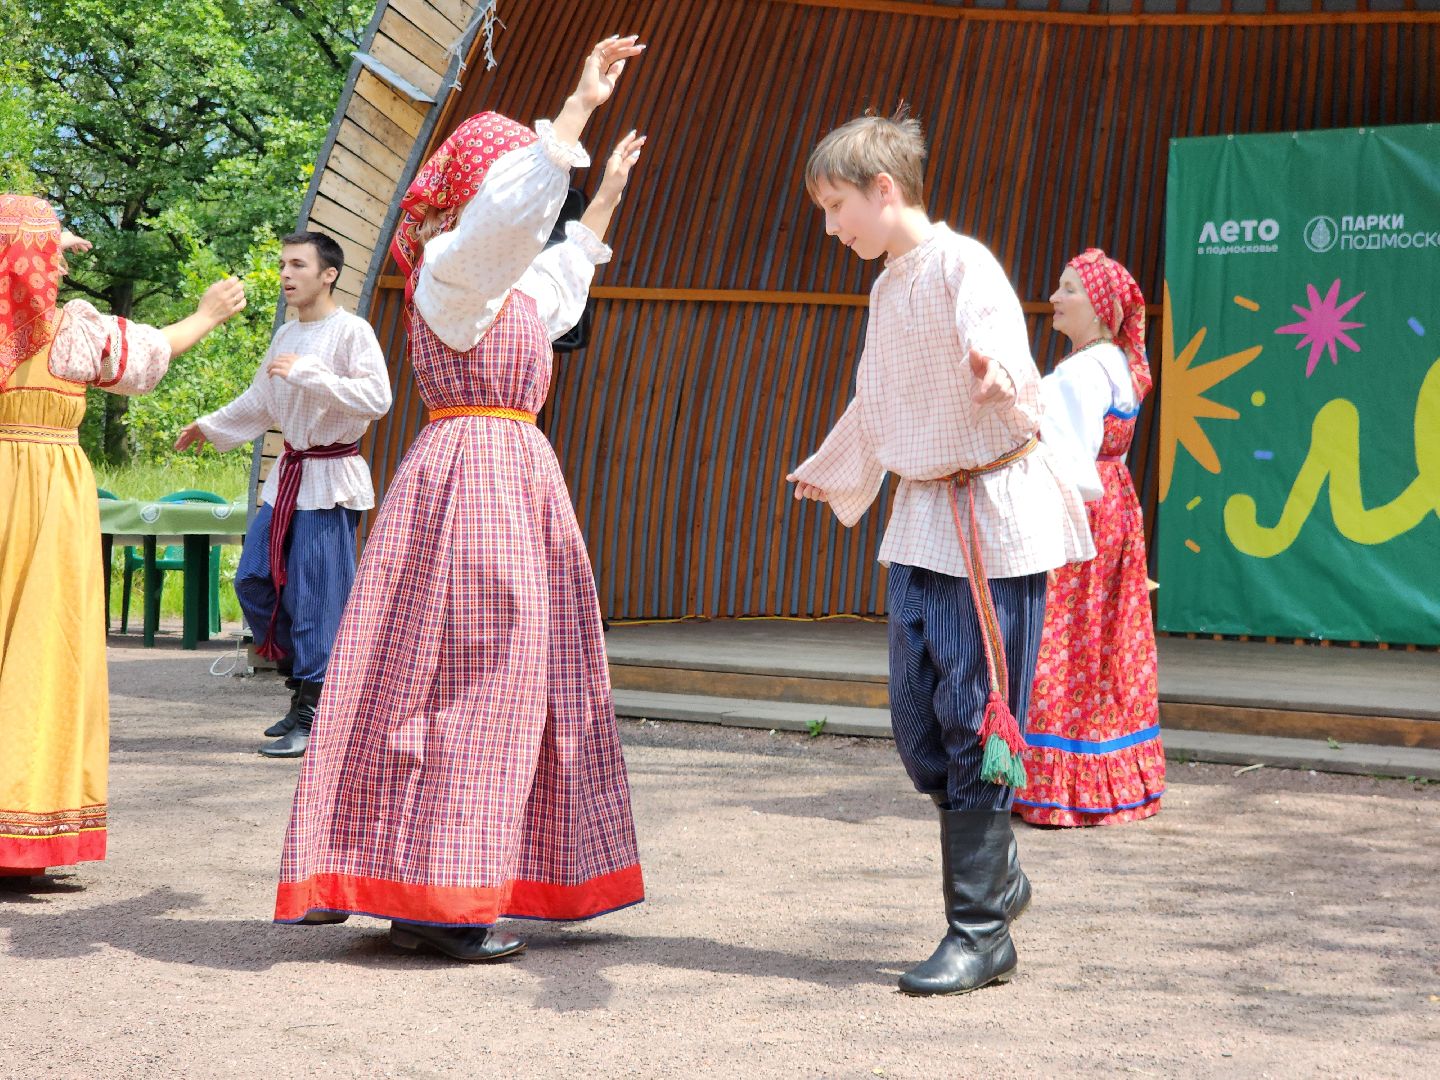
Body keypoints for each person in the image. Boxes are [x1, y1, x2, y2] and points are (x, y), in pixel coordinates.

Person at [273, 36, 648, 963]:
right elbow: (512, 221)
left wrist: (601, 196)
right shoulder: (452, 272)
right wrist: (575, 112)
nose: (531, 195)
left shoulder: (506, 288)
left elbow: (566, 269)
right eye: (513, 177)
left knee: (476, 672)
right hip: (474, 478)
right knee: (480, 671)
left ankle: (414, 877)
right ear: (478, 195)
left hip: (511, 477)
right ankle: (435, 901)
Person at [786, 112, 1092, 996]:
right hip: (923, 519)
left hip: (990, 522)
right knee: (920, 728)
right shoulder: (887, 289)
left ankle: (979, 930)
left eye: (837, 205)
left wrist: (999, 375)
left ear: (885, 190)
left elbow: (997, 344)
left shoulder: (965, 264)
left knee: (974, 722)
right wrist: (834, 470)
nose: (832, 225)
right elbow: (878, 404)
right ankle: (995, 879)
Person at [0, 193, 244, 883]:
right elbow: (150, 353)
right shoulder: (69, 332)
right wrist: (205, 313)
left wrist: (37, 237)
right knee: (41, 650)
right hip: (45, 496)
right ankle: (20, 826)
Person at [175, 231, 391, 758]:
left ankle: (315, 713)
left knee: (316, 598)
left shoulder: (351, 332)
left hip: (330, 479)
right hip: (289, 478)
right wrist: (209, 426)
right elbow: (261, 399)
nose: (286, 275)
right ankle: (303, 688)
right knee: (253, 579)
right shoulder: (286, 336)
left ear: (329, 274)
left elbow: (377, 398)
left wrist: (312, 375)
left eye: (298, 265)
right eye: (282, 266)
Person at [1014, 249, 1165, 826]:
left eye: (1068, 288)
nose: (1055, 297)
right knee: (1104, 644)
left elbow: (1062, 456)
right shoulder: (1115, 365)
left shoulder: (1079, 372)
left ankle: (1062, 786)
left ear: (1100, 308)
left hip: (1080, 512)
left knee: (1064, 637)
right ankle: (1110, 778)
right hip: (1116, 507)